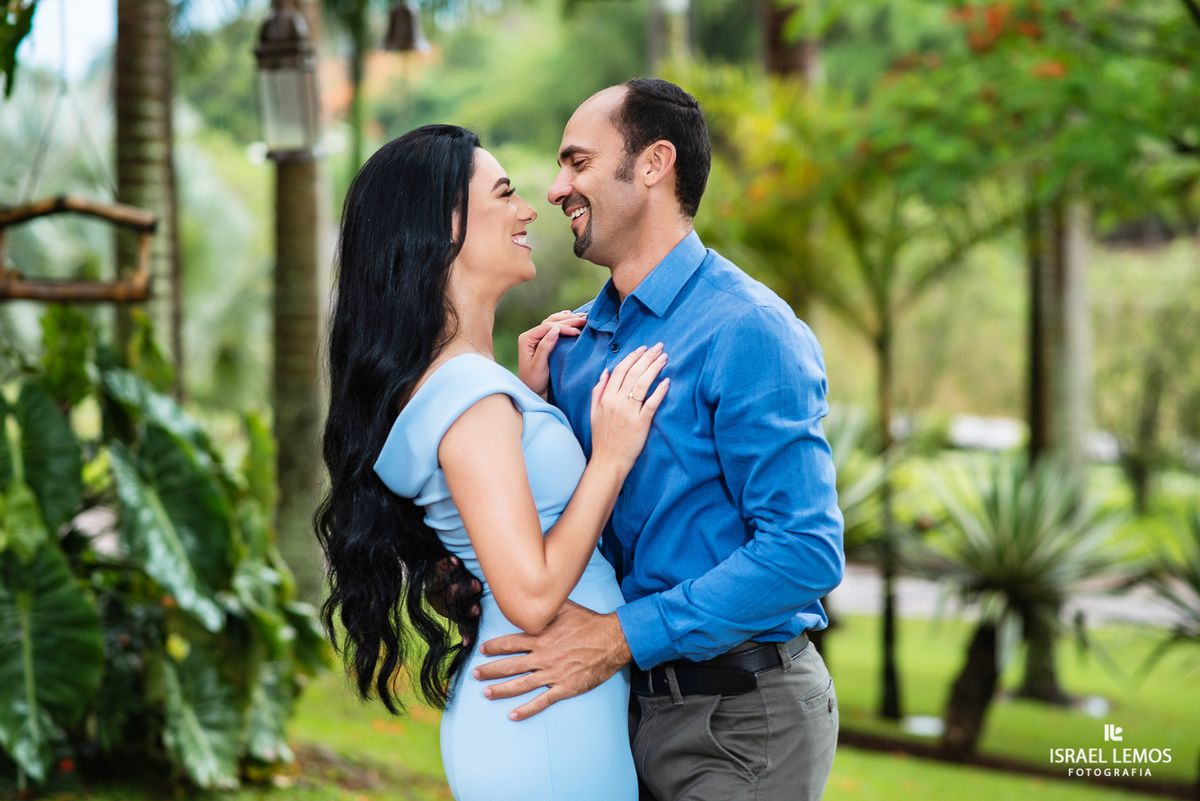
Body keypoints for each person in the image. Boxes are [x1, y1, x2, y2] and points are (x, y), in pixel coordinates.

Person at [473, 79, 846, 801]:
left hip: (744, 719)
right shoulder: (574, 347)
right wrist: (534, 405)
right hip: (620, 713)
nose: (556, 189)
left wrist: (619, 636)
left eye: (577, 162)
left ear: (653, 164)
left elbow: (805, 551)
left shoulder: (750, 330)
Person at [314, 123, 671, 801]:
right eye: (504, 193)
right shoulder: (471, 399)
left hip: (539, 710)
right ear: (442, 229)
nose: (529, 208)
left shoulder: (469, 388)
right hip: (543, 724)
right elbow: (533, 596)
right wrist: (611, 454)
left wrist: (526, 403)